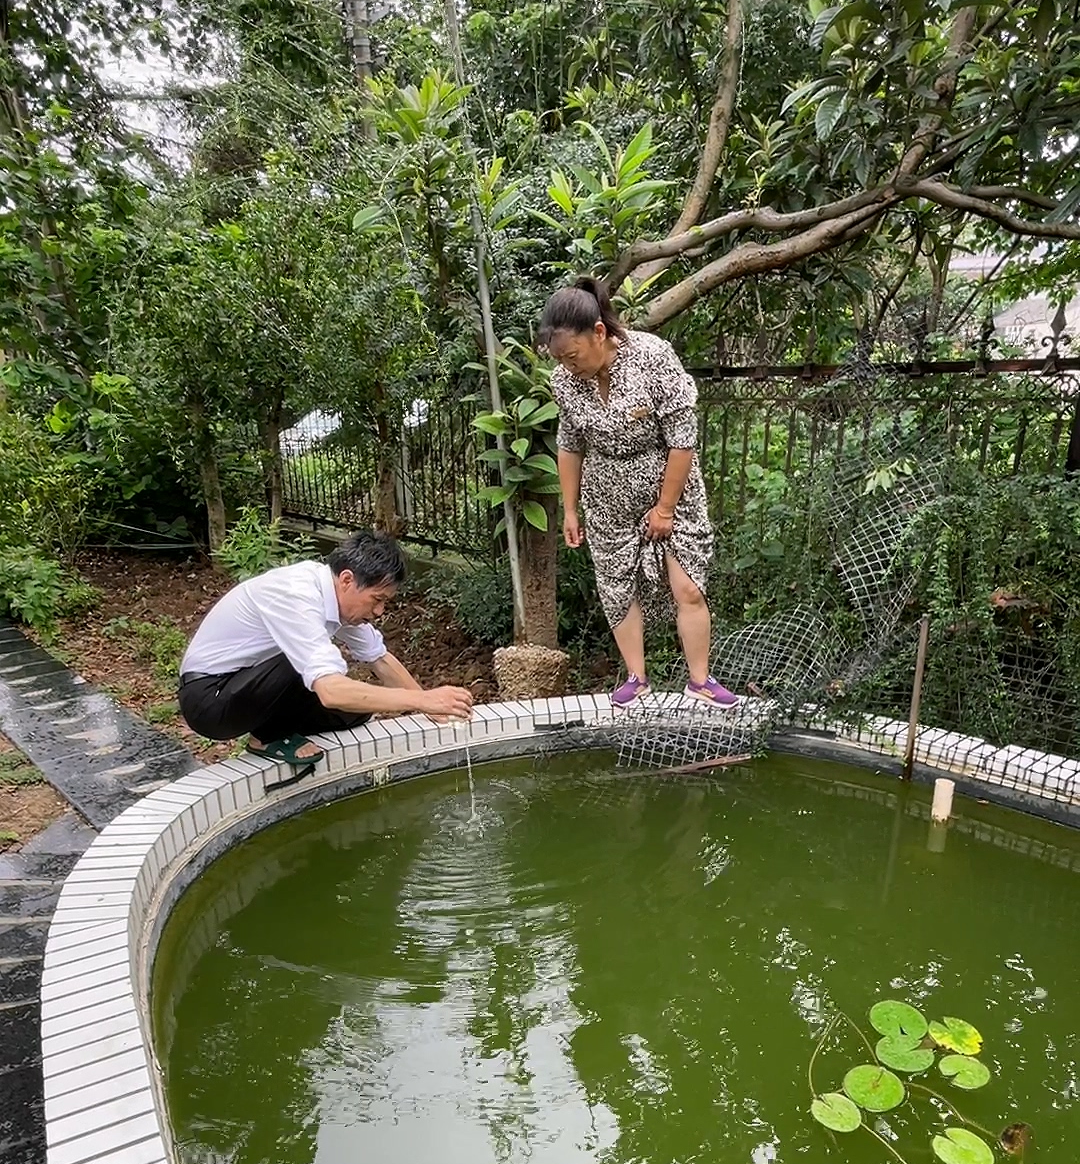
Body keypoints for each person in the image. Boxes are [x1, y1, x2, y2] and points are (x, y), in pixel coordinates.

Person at [539, 275, 737, 708]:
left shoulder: (652, 356)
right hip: (606, 496)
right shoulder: (564, 381)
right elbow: (570, 444)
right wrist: (569, 510)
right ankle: (636, 678)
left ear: (598, 333)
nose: (569, 367)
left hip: (670, 487)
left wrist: (665, 508)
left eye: (573, 356)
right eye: (561, 360)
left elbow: (683, 438)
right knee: (617, 588)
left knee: (687, 584)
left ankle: (701, 681)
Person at [178, 531, 473, 788]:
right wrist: (421, 702)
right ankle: (266, 736)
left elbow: (379, 659)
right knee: (317, 674)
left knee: (355, 712)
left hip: (251, 686)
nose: (380, 611)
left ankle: (277, 729)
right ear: (347, 579)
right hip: (210, 701)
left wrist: (431, 706)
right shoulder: (297, 596)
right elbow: (331, 691)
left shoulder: (337, 598)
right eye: (377, 599)